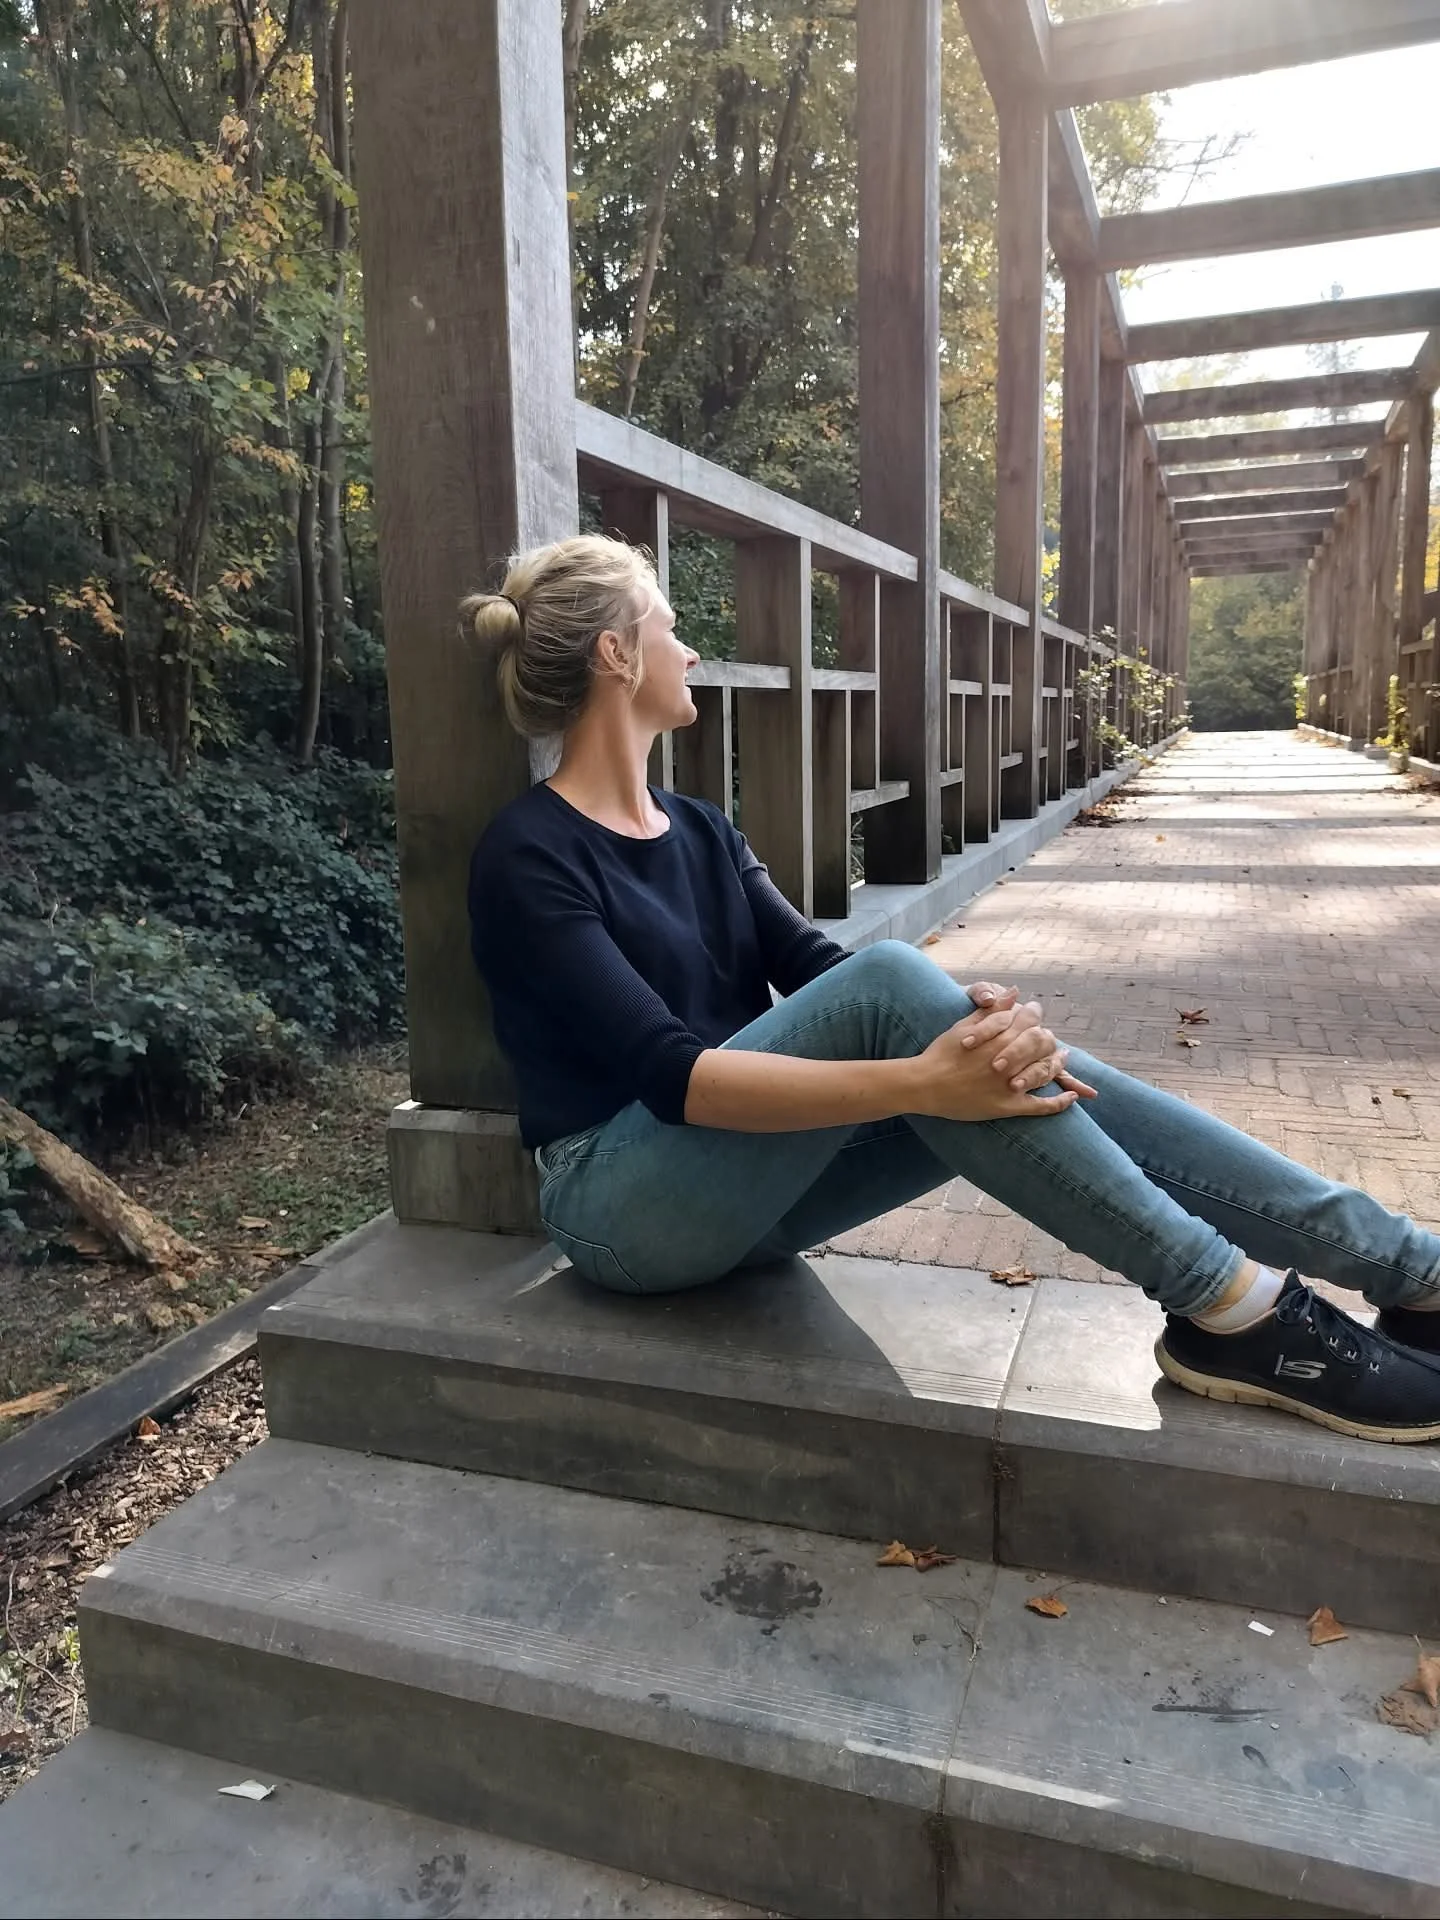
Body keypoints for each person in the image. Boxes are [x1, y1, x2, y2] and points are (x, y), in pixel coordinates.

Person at [466, 534, 1440, 1445]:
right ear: (617, 655)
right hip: (620, 1208)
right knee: (925, 1020)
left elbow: (821, 974)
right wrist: (926, 1080)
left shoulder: (702, 828)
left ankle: (1411, 1272)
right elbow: (674, 1080)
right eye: (670, 626)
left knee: (987, 1049)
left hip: (744, 1195)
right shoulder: (530, 855)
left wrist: (972, 1031)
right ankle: (1231, 1302)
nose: (690, 647)